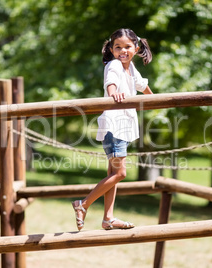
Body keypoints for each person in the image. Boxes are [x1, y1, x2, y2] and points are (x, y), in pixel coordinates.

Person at [72, 28, 153, 231]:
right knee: (121, 173)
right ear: (111, 48)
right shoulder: (115, 64)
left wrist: (156, 100)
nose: (122, 51)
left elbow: (142, 86)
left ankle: (108, 218)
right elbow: (111, 83)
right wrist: (113, 94)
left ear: (136, 48)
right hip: (114, 126)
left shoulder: (131, 68)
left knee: (112, 174)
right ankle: (83, 205)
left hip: (122, 127)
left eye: (127, 47)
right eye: (117, 47)